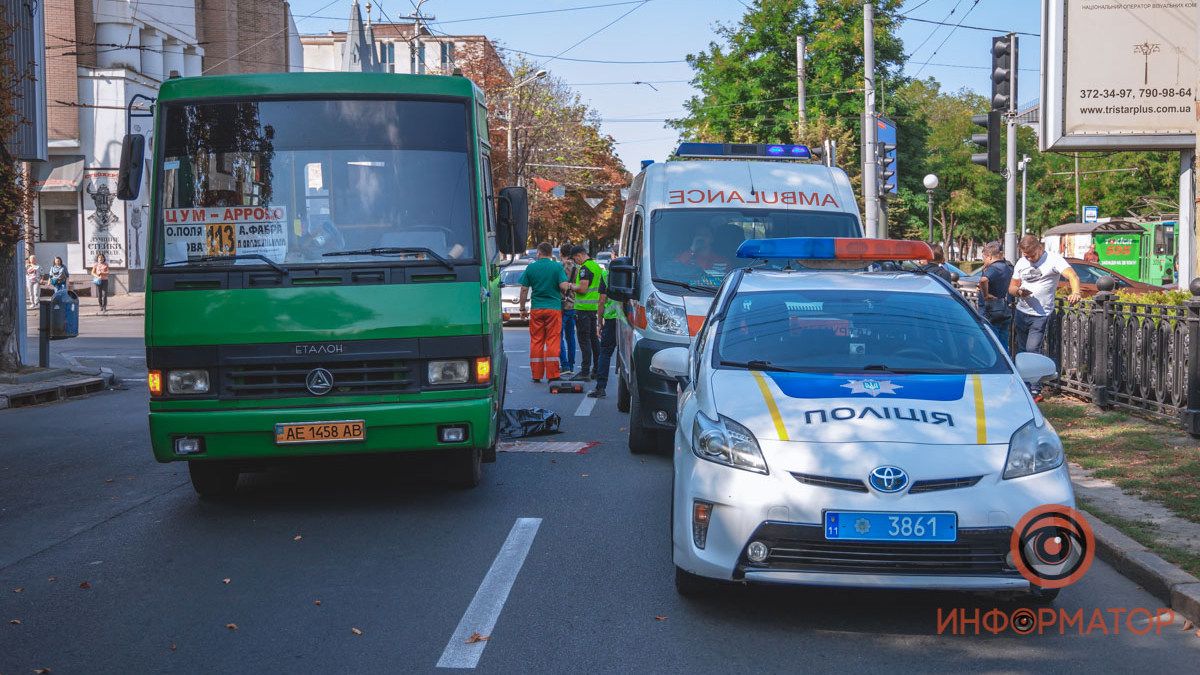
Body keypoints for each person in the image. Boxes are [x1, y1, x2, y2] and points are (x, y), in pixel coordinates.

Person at [1008, 234, 1083, 400]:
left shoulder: (1054, 259)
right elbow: (1012, 288)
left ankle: (1035, 389)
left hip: (1040, 315)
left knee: (1032, 350)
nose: (1029, 258)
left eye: (1032, 255)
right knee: (1021, 351)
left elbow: (1072, 276)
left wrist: (1076, 292)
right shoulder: (1021, 263)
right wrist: (1019, 292)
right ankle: (1025, 386)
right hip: (1022, 311)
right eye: (1025, 255)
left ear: (1039, 248)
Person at [518, 242, 571, 383]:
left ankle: (536, 374)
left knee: (536, 341)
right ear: (550, 253)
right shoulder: (557, 267)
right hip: (553, 309)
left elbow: (524, 289)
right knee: (553, 341)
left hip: (536, 309)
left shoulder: (531, 267)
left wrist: (522, 309)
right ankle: (553, 374)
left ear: (539, 253)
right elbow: (563, 286)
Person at [569, 245, 605, 381]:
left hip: (583, 309)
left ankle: (585, 372)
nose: (575, 262)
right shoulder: (596, 266)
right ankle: (596, 370)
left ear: (579, 255)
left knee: (584, 342)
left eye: (575, 259)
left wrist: (572, 286)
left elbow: (583, 289)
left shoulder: (585, 268)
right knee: (594, 341)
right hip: (593, 309)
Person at [976, 242, 1013, 354]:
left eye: (984, 258)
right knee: (1003, 343)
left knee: (990, 343)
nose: (984, 261)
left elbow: (983, 280)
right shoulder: (1008, 267)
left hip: (991, 312)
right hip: (1005, 310)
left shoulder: (994, 268)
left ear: (989, 256)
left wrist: (986, 295)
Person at [589, 271, 621, 398]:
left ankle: (600, 387)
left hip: (612, 319)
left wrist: (599, 322)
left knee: (605, 352)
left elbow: (602, 300)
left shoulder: (606, 274)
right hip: (629, 318)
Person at [559, 246, 578, 377]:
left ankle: (565, 365)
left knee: (559, 336)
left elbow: (562, 285)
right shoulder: (578, 267)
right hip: (575, 304)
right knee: (571, 337)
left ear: (561, 254)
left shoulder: (563, 266)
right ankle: (571, 365)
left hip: (563, 305)